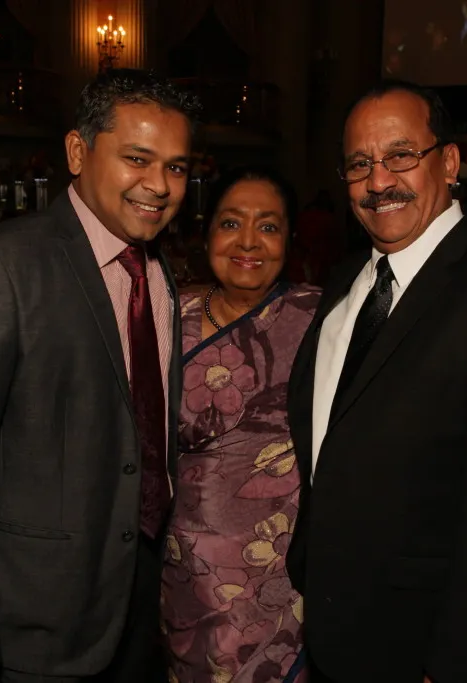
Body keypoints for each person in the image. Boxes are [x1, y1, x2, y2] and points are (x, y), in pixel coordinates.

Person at [0, 69, 200, 683]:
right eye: (137, 158)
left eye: (175, 167)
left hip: (136, 605)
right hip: (30, 629)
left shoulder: (158, 273)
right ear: (77, 152)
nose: (159, 185)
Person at [286, 81, 467, 682]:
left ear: (448, 163)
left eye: (400, 155)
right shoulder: (346, 280)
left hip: (422, 646)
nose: (378, 181)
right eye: (359, 164)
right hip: (332, 625)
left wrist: (454, 666)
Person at [161, 166, 319, 683]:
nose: (248, 242)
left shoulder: (320, 319)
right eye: (231, 223)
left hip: (280, 569)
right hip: (181, 566)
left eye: (268, 227)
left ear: (289, 241)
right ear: (206, 234)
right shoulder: (164, 318)